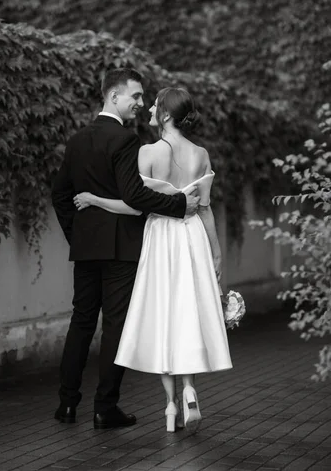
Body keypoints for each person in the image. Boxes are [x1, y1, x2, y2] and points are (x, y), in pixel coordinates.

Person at [74, 87, 233, 433]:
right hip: (192, 237)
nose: (148, 110)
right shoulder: (201, 153)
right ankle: (190, 388)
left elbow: (134, 205)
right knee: (187, 314)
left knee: (165, 316)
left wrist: (95, 199)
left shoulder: (147, 152)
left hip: (161, 236)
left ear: (164, 116)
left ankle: (170, 407)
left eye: (155, 107)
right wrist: (216, 252)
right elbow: (205, 210)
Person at [51, 70, 201, 430]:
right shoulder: (125, 140)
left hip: (86, 247)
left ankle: (67, 405)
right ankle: (105, 408)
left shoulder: (76, 140)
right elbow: (133, 196)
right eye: (134, 95)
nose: (139, 102)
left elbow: (59, 194)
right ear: (113, 96)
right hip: (121, 247)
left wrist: (78, 235)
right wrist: (180, 205)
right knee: (116, 326)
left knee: (82, 322)